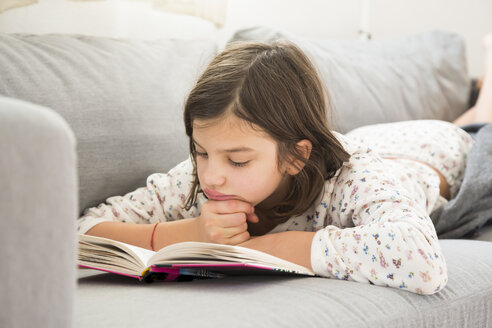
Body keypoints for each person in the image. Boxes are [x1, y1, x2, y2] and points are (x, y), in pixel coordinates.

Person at [77, 33, 492, 295]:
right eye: (200, 151)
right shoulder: (198, 177)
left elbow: (422, 262)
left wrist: (268, 247)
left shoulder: (352, 176)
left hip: (423, 154)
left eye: (237, 160)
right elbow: (82, 230)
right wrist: (188, 232)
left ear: (296, 156)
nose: (211, 175)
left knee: (476, 127)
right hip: (371, 138)